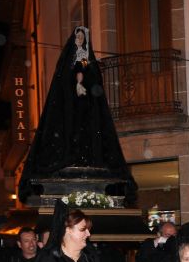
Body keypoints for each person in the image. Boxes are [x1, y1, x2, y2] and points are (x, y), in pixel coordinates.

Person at [17, 26, 136, 203]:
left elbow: (92, 78)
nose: (80, 39)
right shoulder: (67, 61)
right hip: (69, 110)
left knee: (87, 131)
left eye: (82, 37)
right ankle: (71, 154)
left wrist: (84, 78)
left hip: (87, 107)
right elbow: (64, 80)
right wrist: (76, 81)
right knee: (72, 130)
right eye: (77, 36)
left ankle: (87, 156)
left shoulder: (88, 60)